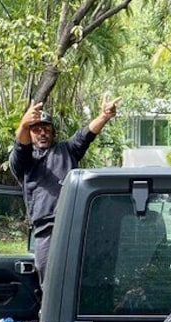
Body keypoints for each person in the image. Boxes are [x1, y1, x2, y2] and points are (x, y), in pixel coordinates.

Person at [10, 94, 121, 286]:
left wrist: (104, 116)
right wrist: (23, 124)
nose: (42, 133)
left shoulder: (67, 150)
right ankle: (48, 315)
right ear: (30, 134)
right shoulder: (24, 162)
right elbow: (21, 147)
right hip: (47, 232)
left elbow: (85, 135)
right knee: (51, 284)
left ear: (53, 133)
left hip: (76, 227)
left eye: (46, 129)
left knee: (83, 282)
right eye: (36, 130)